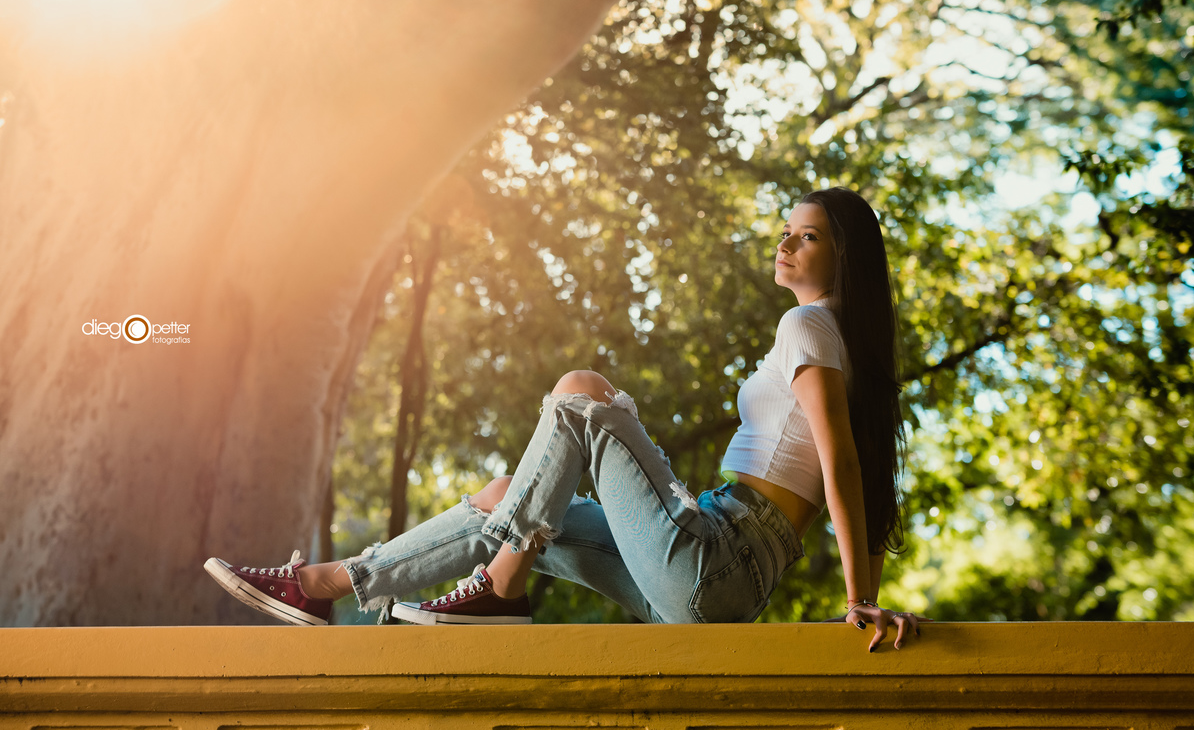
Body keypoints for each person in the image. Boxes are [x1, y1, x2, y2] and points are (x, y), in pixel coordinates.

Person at [205, 186, 928, 650]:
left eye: (805, 235)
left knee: (581, 391)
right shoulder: (836, 346)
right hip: (710, 580)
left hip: (719, 557)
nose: (785, 242)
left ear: (845, 255)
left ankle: (495, 587)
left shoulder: (807, 328)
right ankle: (332, 584)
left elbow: (844, 466)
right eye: (786, 229)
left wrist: (859, 600)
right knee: (505, 497)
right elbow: (858, 476)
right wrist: (865, 596)